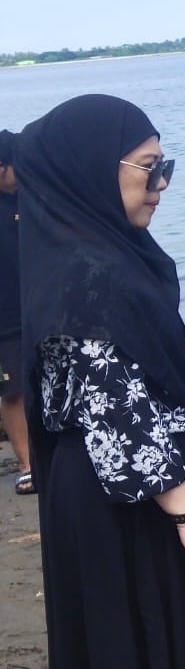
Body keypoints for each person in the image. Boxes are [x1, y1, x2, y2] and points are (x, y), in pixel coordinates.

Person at [14, 94, 185, 669]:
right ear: (90, 170)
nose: (160, 185)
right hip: (133, 495)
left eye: (167, 168)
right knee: (178, 649)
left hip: (134, 478)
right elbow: (108, 407)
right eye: (147, 168)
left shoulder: (82, 253)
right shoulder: (87, 274)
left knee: (146, 654)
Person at [0, 130, 33, 494]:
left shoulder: (29, 197)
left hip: (36, 304)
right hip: (4, 314)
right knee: (12, 390)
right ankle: (26, 463)